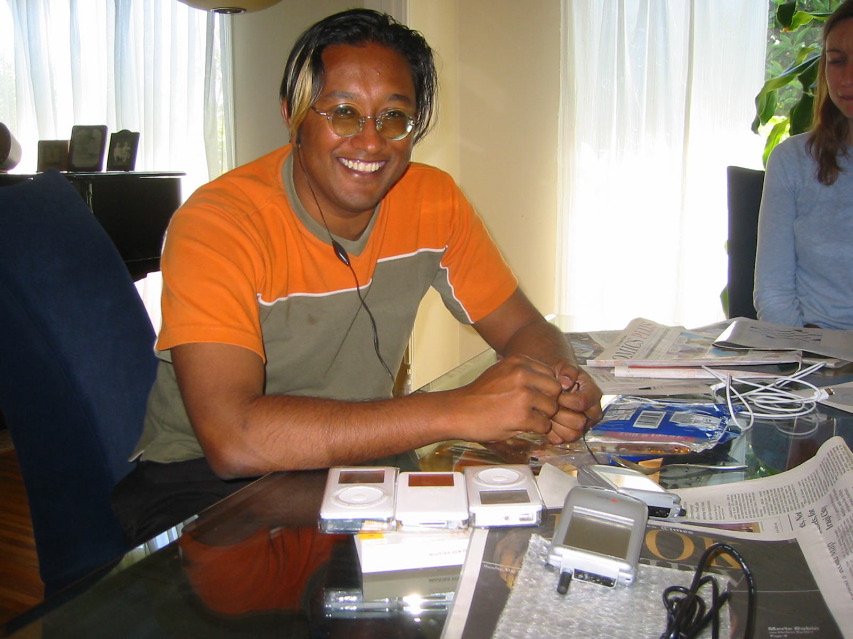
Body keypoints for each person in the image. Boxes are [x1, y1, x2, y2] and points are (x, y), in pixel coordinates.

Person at [112, 8, 602, 545]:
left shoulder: (434, 199)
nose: (371, 143)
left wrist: (559, 384)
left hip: (354, 467)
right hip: (205, 492)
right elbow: (234, 441)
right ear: (293, 114)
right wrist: (456, 409)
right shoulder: (218, 223)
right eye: (343, 112)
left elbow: (524, 329)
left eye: (394, 118)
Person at [754, 0, 853, 329]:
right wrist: (806, 353)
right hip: (814, 356)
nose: (847, 78)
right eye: (836, 61)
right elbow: (773, 293)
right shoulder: (792, 160)